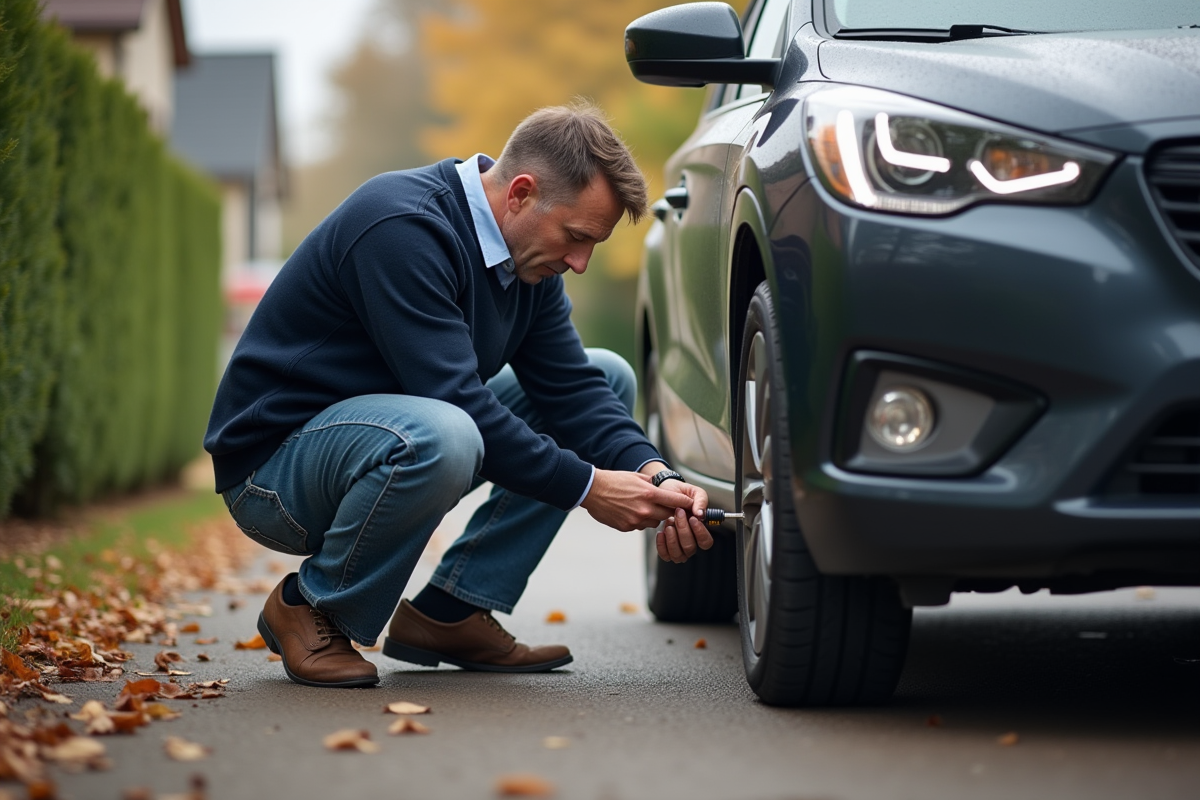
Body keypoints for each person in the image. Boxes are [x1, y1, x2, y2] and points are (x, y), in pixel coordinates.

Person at [204, 102, 714, 688]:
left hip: (381, 440)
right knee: (446, 431)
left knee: (609, 373)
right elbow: (456, 401)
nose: (579, 263)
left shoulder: (529, 267)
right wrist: (589, 486)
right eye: (575, 238)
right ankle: (311, 604)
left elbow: (573, 389)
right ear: (520, 193)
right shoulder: (401, 226)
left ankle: (451, 610)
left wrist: (653, 475)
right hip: (275, 472)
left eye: (591, 246)